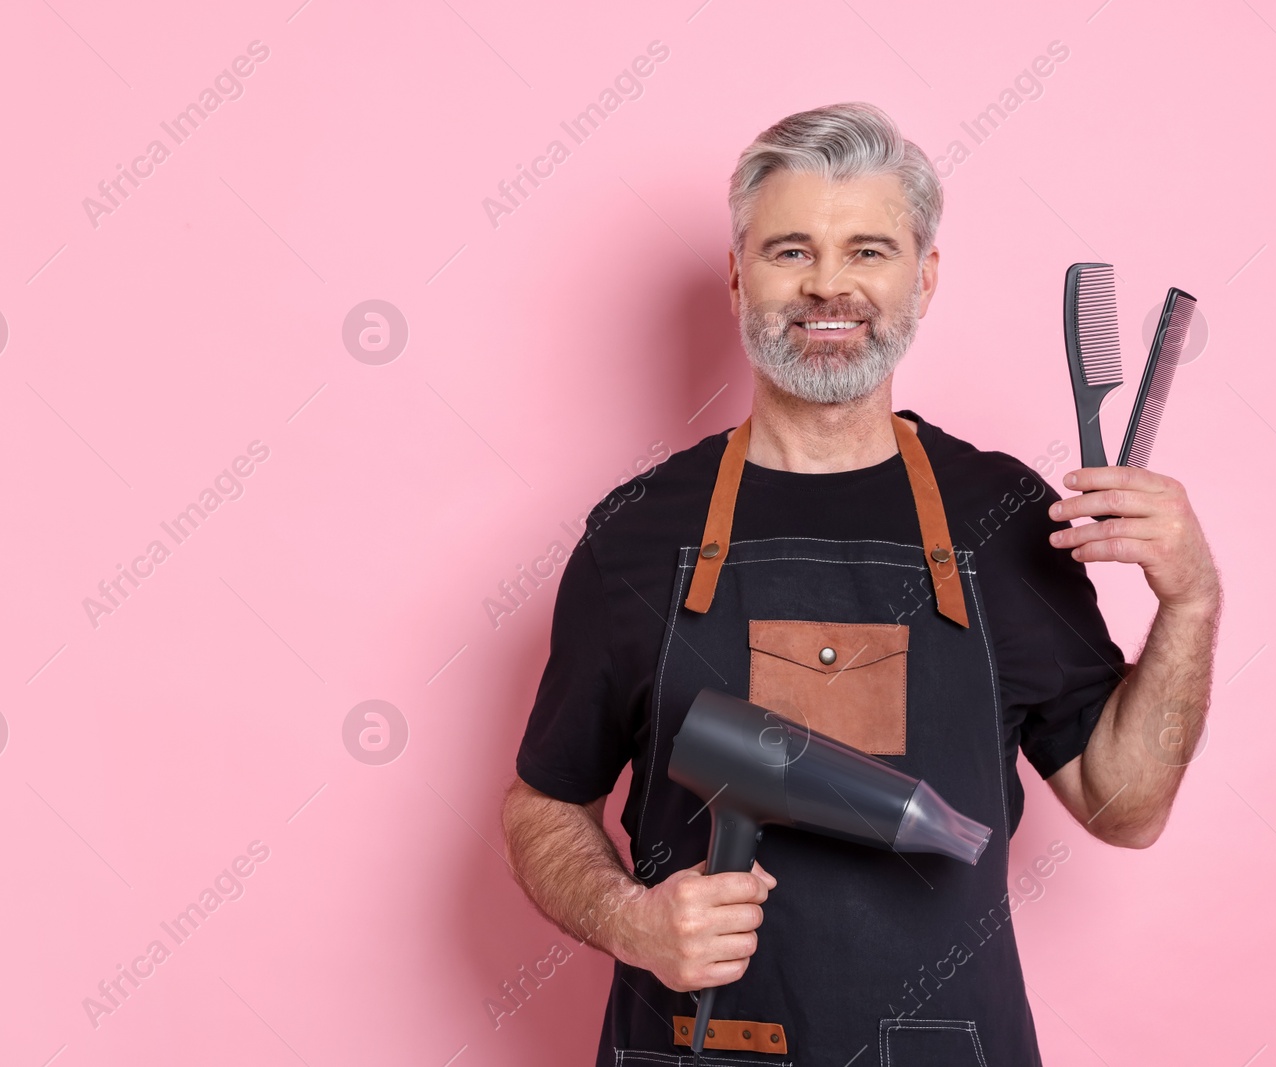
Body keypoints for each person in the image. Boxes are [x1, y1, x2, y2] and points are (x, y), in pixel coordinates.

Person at [500, 102, 1221, 1066]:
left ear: (924, 278)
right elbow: (542, 804)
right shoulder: (636, 532)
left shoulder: (1003, 518)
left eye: (869, 250)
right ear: (736, 274)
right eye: (790, 250)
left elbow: (1122, 805)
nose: (829, 285)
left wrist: (1192, 601)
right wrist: (631, 920)